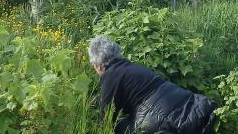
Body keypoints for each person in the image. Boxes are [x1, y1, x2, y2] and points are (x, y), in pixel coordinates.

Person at [88, 35, 216, 134]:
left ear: (97, 64)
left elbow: (106, 116)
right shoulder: (130, 67)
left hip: (156, 115)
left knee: (119, 127)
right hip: (178, 98)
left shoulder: (110, 75)